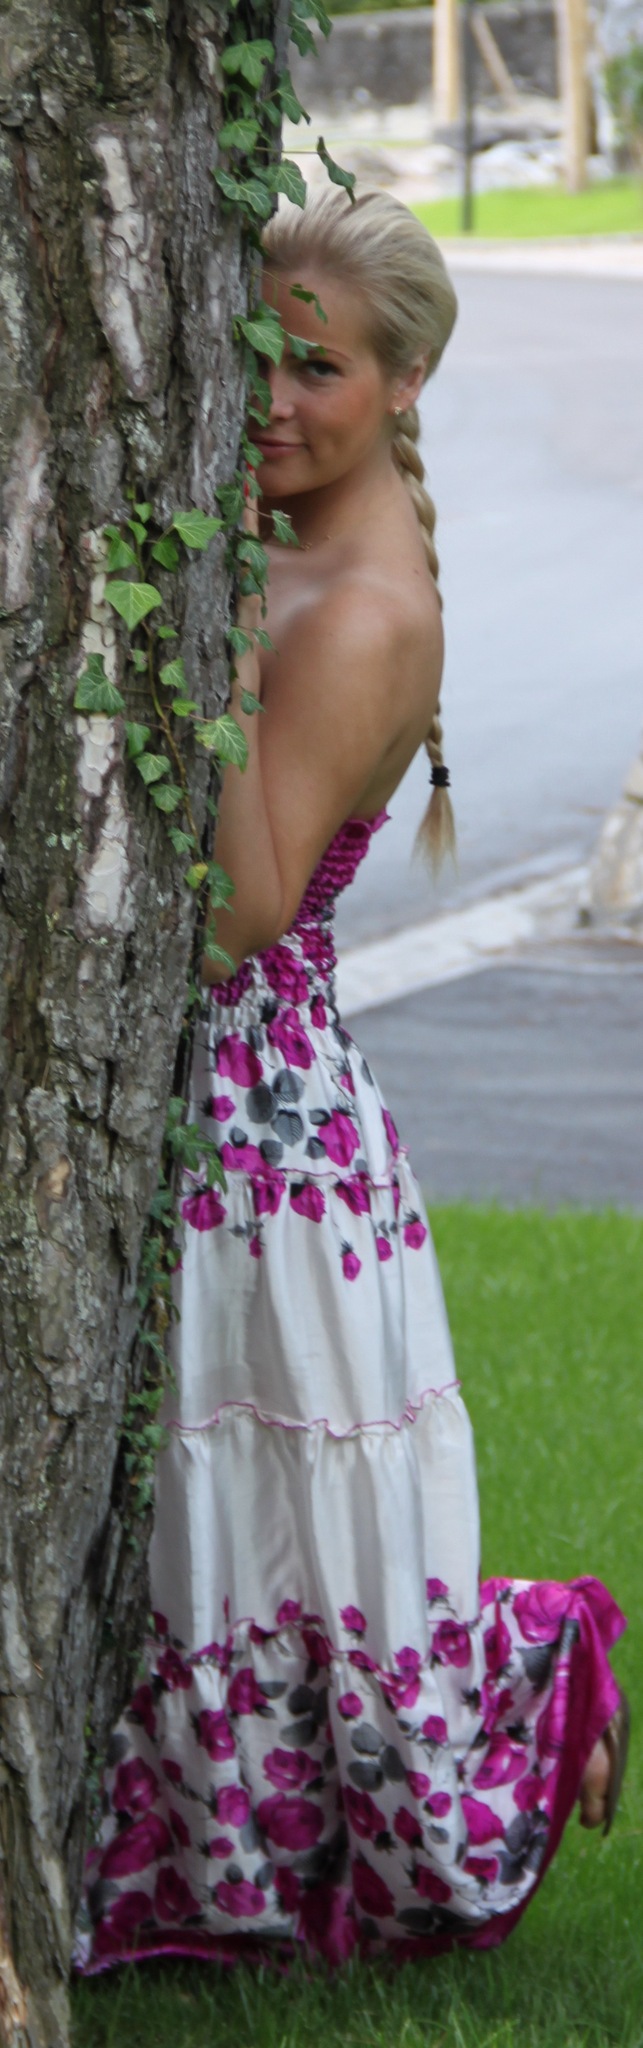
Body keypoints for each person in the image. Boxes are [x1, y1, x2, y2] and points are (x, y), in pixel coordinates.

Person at [76, 189, 628, 1974]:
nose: (272, 402)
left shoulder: (364, 607)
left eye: (316, 370)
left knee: (264, 1503)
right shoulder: (287, 551)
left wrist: (209, 618)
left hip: (260, 1112)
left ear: (406, 384)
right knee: (243, 1519)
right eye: (255, 358)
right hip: (260, 1108)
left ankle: (522, 1688)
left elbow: (239, 911)